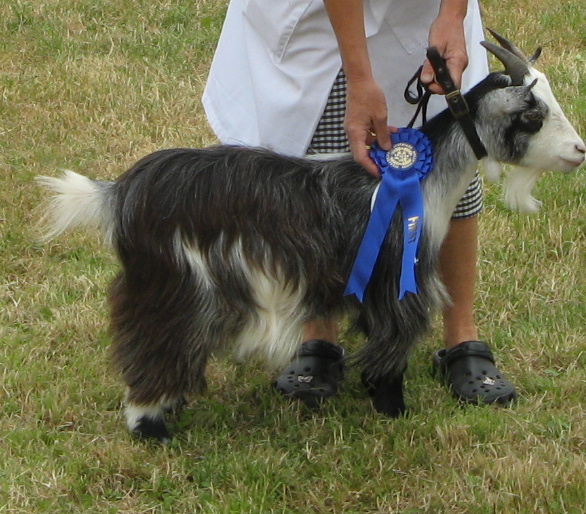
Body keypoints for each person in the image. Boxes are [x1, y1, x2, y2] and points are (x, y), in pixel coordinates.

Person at [202, 0, 516, 407]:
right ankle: (317, 337)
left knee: (450, 163)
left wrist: (452, 16)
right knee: (316, 175)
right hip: (317, 21)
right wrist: (360, 78)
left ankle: (462, 336)